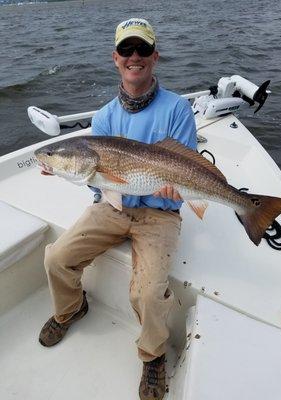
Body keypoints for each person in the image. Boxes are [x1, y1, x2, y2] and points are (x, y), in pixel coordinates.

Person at [39, 18, 197, 400]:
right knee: (56, 257)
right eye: (126, 50)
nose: (134, 57)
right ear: (115, 58)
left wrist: (178, 192)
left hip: (160, 212)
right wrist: (64, 167)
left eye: (142, 49)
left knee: (146, 292)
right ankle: (72, 309)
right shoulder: (105, 116)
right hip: (113, 205)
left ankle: (153, 355)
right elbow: (101, 180)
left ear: (155, 57)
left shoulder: (177, 109)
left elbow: (186, 167)